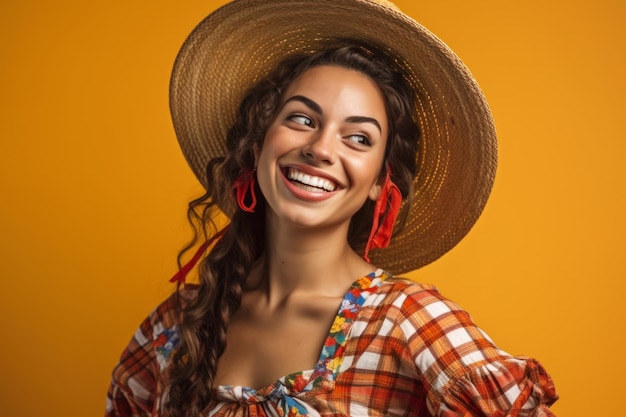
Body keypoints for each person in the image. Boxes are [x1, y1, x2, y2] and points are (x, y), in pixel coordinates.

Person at [106, 0, 558, 416]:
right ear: (258, 144)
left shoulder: (409, 322)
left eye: (358, 138)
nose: (321, 149)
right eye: (302, 119)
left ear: (380, 184)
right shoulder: (175, 325)